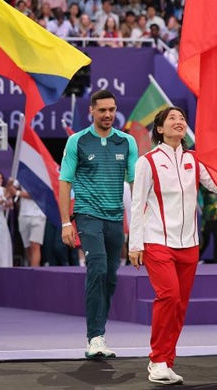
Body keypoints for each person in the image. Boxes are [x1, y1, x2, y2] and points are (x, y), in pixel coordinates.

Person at [128, 107, 217, 385]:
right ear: (159, 129)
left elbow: (216, 185)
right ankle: (157, 359)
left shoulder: (194, 159)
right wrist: (134, 244)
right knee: (167, 296)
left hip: (189, 244)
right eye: (172, 119)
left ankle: (167, 361)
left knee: (179, 305)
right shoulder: (148, 162)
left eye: (182, 119)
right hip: (157, 240)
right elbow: (137, 204)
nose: (179, 122)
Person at [59, 89, 138, 358]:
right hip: (87, 214)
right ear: (91, 111)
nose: (107, 115)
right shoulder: (77, 141)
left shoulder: (127, 142)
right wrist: (64, 223)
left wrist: (138, 226)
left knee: (111, 278)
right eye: (102, 110)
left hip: (116, 217)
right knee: (98, 267)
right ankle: (95, 337)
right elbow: (65, 182)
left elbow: (135, 184)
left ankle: (99, 334)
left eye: (112, 110)